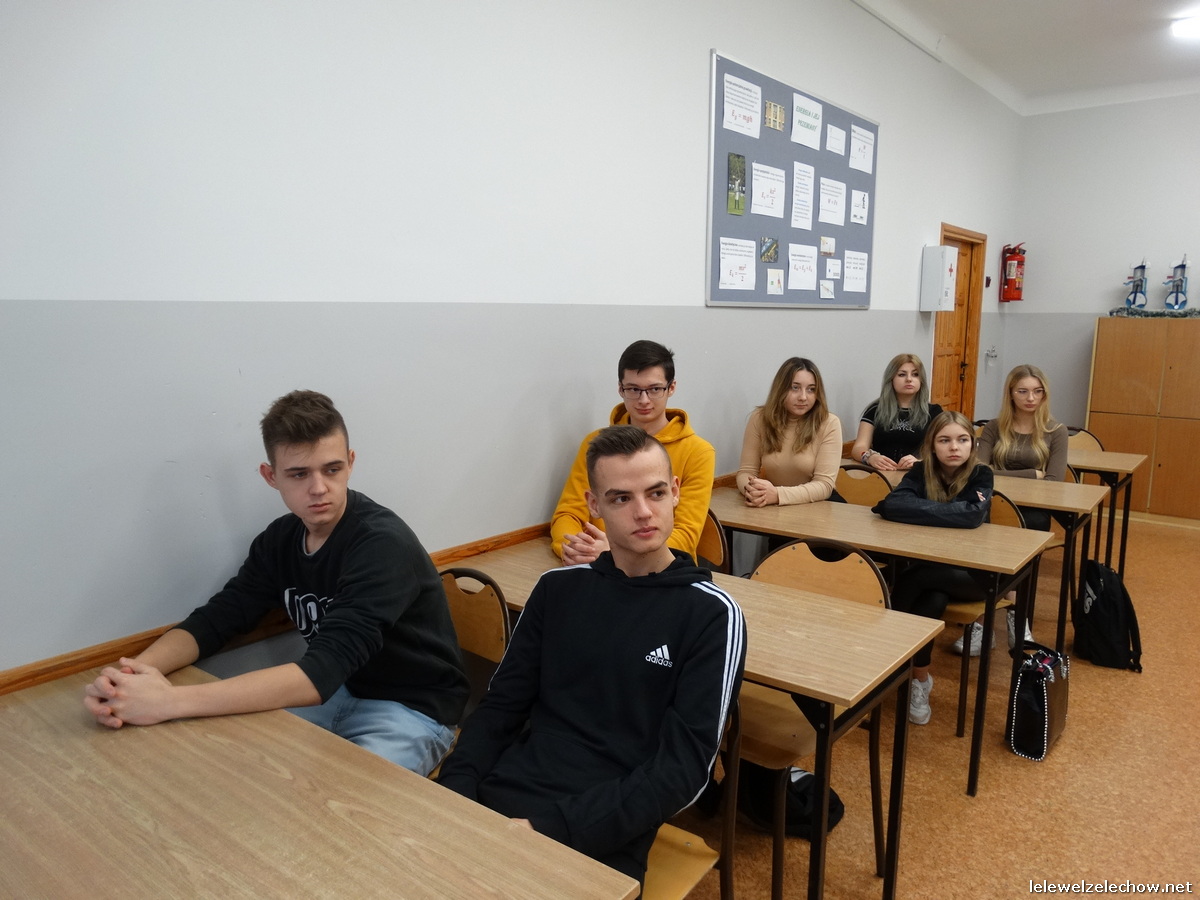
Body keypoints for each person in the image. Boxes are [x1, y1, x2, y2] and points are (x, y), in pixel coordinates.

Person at [83, 390, 469, 776]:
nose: (318, 488)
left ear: (350, 464)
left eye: (332, 469)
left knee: (348, 804)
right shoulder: (279, 541)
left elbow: (319, 673)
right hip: (340, 692)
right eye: (299, 474)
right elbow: (216, 620)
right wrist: (128, 677)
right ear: (271, 476)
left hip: (412, 709)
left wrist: (169, 702)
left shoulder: (382, 544)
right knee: (237, 773)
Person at [439, 425, 745, 888]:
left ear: (676, 492)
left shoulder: (712, 614)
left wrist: (548, 831)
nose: (643, 512)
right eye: (621, 498)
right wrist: (455, 793)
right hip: (503, 792)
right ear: (594, 505)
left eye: (656, 493)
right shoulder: (557, 589)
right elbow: (501, 707)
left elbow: (682, 771)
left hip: (605, 828)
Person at [871, 410, 993, 725]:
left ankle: (885, 654)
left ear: (972, 444)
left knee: (916, 576)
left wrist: (921, 510)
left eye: (962, 440)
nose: (954, 447)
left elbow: (972, 516)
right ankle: (920, 680)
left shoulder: (981, 474)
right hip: (932, 573)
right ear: (931, 445)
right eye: (944, 440)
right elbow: (892, 505)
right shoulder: (920, 471)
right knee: (931, 599)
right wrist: (951, 511)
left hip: (974, 575)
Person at [551, 340, 716, 566]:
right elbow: (568, 514)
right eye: (633, 390)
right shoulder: (595, 444)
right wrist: (573, 548)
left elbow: (686, 536)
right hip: (595, 564)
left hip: (662, 569)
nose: (643, 400)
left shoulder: (698, 452)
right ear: (621, 389)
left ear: (671, 388)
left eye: (655, 389)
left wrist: (614, 553)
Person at [968, 364, 1067, 654]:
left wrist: (1000, 473)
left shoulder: (1055, 431)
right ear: (1011, 393)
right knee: (981, 535)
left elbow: (1053, 481)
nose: (1031, 398)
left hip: (1033, 509)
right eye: (1023, 391)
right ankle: (984, 622)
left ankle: (1014, 615)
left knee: (1028, 531)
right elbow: (978, 471)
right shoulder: (994, 427)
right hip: (994, 503)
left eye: (1037, 391)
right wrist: (1031, 474)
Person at [737, 357, 842, 506]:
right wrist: (752, 491)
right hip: (775, 505)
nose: (803, 397)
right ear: (781, 388)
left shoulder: (829, 423)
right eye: (795, 388)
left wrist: (777, 495)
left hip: (820, 505)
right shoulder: (759, 418)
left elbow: (824, 485)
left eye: (811, 389)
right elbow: (746, 471)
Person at [851, 353, 942, 471]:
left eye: (915, 374)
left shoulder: (934, 412)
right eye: (902, 374)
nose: (909, 379)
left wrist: (920, 461)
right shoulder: (875, 410)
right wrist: (869, 457)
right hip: (883, 474)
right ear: (891, 379)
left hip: (918, 474)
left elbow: (943, 450)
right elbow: (858, 447)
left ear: (921, 380)